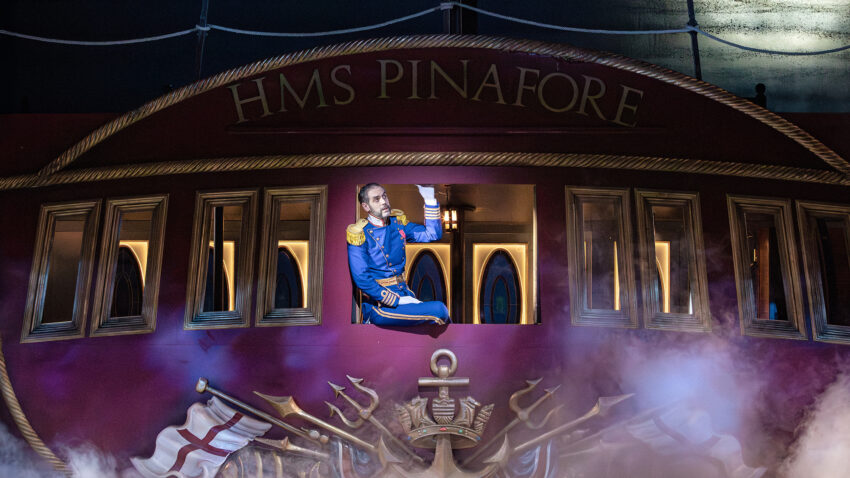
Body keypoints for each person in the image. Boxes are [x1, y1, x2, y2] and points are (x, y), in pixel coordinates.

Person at [347, 183, 450, 325]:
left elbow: (432, 234)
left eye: (384, 196)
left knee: (445, 319)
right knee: (439, 310)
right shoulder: (359, 234)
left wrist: (430, 200)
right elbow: (362, 279)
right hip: (380, 304)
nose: (383, 201)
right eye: (376, 199)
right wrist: (397, 300)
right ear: (366, 206)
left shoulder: (398, 224)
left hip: (406, 294)